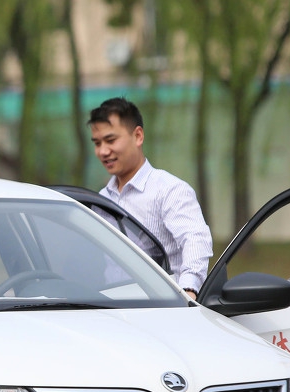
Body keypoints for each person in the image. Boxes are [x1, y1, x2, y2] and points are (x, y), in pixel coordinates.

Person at [88, 96, 212, 299]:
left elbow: (195, 239)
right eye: (97, 143)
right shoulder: (100, 200)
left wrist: (188, 292)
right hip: (112, 309)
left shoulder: (170, 190)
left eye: (110, 140)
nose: (103, 151)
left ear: (138, 136)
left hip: (163, 308)